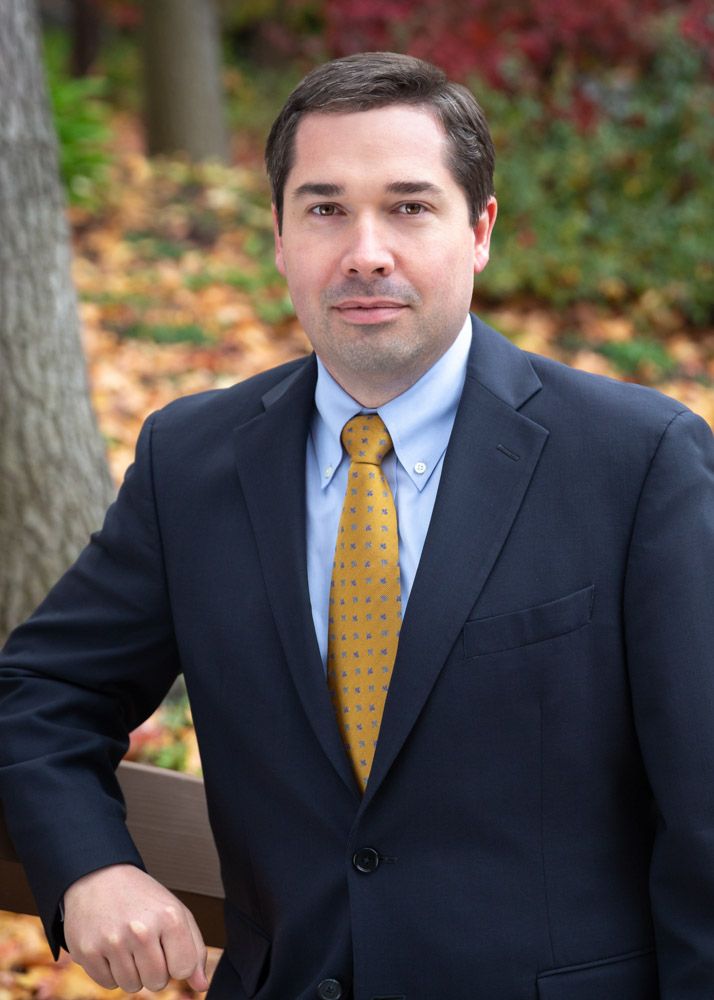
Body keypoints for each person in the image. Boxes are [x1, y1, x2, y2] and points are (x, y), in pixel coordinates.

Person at [1, 50, 713, 1000]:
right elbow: (39, 692)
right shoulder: (193, 461)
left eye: (409, 207)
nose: (365, 251)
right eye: (326, 209)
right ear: (280, 236)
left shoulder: (636, 461)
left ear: (480, 231)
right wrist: (91, 866)